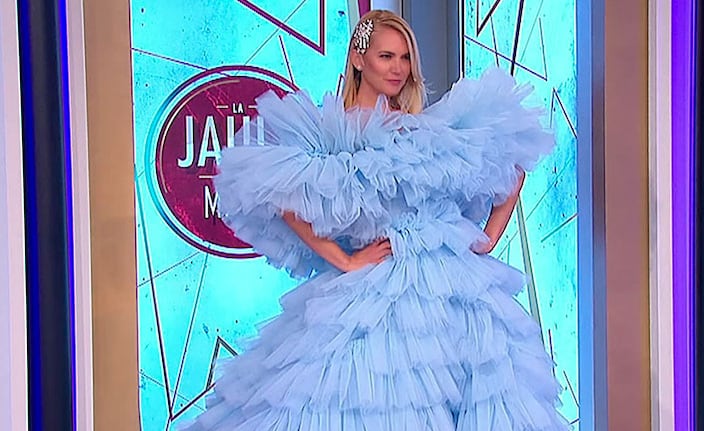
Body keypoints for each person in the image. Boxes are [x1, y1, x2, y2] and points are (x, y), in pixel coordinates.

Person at [181, 9, 570, 431]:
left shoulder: (425, 130)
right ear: (358, 58)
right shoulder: (332, 134)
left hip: (457, 290)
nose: (398, 68)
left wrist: (488, 237)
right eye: (386, 56)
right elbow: (279, 191)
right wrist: (345, 260)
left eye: (405, 58)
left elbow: (513, 158)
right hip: (380, 287)